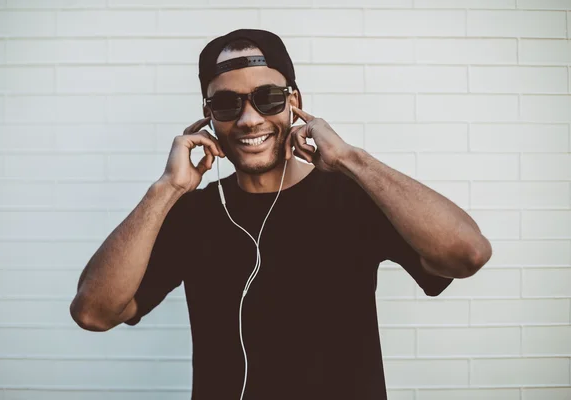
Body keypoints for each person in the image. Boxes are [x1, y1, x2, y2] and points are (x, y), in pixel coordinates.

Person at [70, 29, 492, 400]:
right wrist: (166, 189)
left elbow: (467, 253)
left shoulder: (355, 198)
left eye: (267, 98)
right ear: (208, 117)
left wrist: (350, 159)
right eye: (227, 104)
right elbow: (95, 312)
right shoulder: (191, 213)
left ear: (295, 102)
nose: (250, 119)